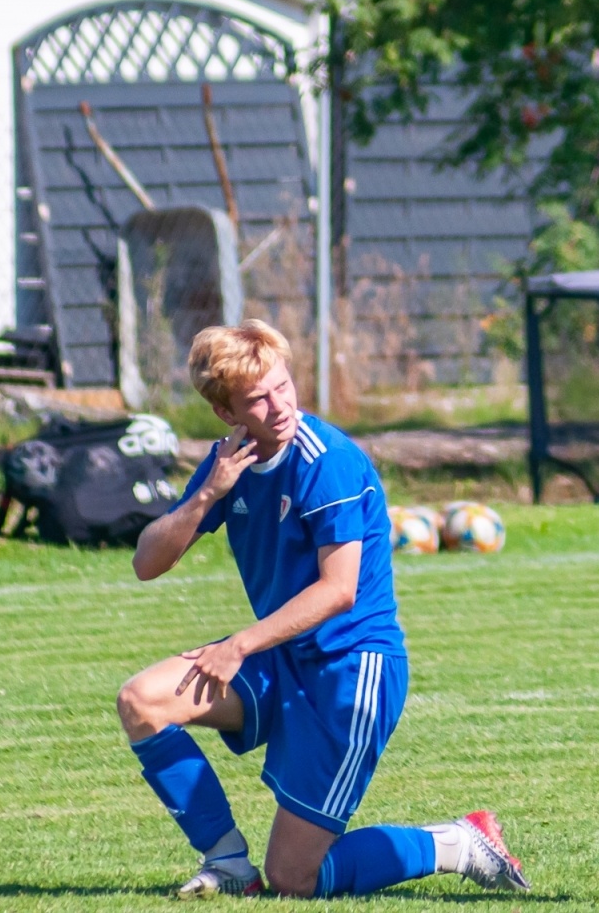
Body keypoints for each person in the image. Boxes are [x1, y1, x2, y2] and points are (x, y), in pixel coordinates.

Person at [116, 320, 529, 898]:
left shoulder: (325, 460)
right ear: (226, 413)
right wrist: (207, 493)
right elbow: (147, 562)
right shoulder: (227, 464)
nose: (280, 405)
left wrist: (237, 645)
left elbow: (339, 590)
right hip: (281, 657)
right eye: (258, 398)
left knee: (294, 878)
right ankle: (229, 863)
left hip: (351, 671)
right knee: (142, 700)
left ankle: (457, 842)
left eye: (283, 386)